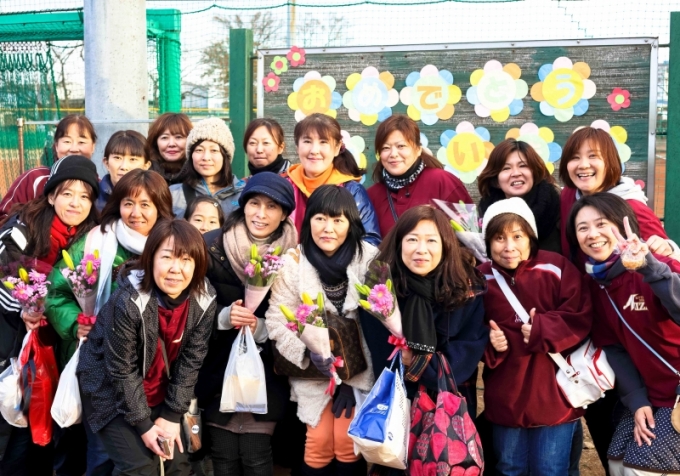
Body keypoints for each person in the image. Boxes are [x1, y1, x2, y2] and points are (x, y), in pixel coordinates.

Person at [77, 220, 217, 476]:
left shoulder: (205, 298)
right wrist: (144, 426)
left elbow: (191, 361)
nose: (175, 269)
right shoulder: (128, 301)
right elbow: (121, 371)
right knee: (142, 468)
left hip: (163, 392)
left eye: (186, 259)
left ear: (197, 264)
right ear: (151, 259)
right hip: (110, 391)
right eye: (167, 257)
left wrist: (172, 415)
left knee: (178, 466)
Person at [266, 185, 377, 476]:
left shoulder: (369, 259)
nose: (328, 228)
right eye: (320, 218)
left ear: (351, 223)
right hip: (313, 372)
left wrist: (351, 380)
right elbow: (276, 320)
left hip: (361, 372)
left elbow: (377, 323)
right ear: (309, 220)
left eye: (338, 220)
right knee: (319, 441)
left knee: (347, 441)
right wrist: (308, 352)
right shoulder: (293, 263)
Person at [0, 154, 100, 476]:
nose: (75, 203)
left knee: (45, 430)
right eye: (67, 193)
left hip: (56, 342)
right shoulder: (23, 228)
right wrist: (24, 308)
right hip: (12, 341)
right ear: (52, 195)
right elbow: (4, 275)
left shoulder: (90, 238)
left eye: (84, 196)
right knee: (14, 427)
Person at [567, 193, 680, 475]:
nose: (593, 234)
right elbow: (613, 348)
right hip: (653, 395)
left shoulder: (659, 266)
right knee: (617, 461)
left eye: (601, 224)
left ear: (621, 223)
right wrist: (637, 400)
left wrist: (650, 269)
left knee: (640, 468)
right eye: (583, 228)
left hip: (676, 392)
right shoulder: (594, 284)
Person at [478, 197, 592, 475]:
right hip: (506, 394)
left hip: (554, 393)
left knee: (550, 468)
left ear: (531, 237)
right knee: (509, 467)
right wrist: (488, 341)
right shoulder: (479, 279)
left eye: (518, 236)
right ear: (487, 242)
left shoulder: (556, 268)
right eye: (499, 238)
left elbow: (580, 315)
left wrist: (542, 329)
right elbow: (466, 328)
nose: (509, 246)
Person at [195, 171, 298, 475]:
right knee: (223, 456)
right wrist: (223, 317)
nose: (261, 214)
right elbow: (190, 305)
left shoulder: (294, 256)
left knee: (256, 455)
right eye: (254, 203)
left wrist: (261, 328)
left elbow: (299, 314)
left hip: (267, 373)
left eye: (272, 206)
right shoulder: (212, 246)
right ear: (243, 205)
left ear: (284, 214)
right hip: (217, 367)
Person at [360, 205, 487, 415]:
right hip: (396, 406)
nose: (421, 249)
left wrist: (417, 361)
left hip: (449, 411)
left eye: (431, 241)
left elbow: (465, 357)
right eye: (412, 239)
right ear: (399, 243)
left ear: (445, 245)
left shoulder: (465, 289)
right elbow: (381, 354)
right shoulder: (381, 290)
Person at [559, 127, 674, 259]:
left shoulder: (633, 207)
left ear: (610, 161)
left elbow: (666, 258)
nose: (583, 165)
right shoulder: (568, 195)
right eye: (575, 157)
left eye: (593, 156)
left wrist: (668, 248)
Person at [367, 115, 472, 237]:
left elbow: (471, 235)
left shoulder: (443, 182)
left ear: (418, 149)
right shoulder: (372, 196)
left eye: (401, 146)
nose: (393, 154)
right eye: (386, 148)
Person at [285, 113, 380, 246]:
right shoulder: (284, 186)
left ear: (337, 148)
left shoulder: (351, 191)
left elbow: (370, 242)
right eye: (307, 141)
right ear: (297, 147)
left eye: (323, 142)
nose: (314, 150)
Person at [0, 114, 97, 219]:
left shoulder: (98, 185)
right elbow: (4, 216)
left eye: (81, 142)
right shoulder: (34, 178)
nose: (74, 149)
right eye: (67, 141)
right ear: (56, 146)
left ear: (93, 147)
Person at [478, 139, 561, 253]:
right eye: (506, 168)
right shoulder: (486, 210)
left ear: (534, 172)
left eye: (523, 166)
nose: (516, 173)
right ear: (495, 180)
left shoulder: (557, 204)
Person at [170, 117, 244, 218]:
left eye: (214, 150)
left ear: (225, 156)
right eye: (199, 150)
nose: (206, 157)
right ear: (191, 156)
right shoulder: (173, 195)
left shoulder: (243, 194)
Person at [95, 129, 151, 211]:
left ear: (146, 166)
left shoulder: (155, 197)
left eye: (133, 159)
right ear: (106, 163)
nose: (124, 167)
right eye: (117, 158)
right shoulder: (92, 197)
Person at [147, 112, 193, 185]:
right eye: (164, 138)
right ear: (155, 142)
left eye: (178, 137)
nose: (171, 144)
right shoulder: (144, 171)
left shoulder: (200, 173)